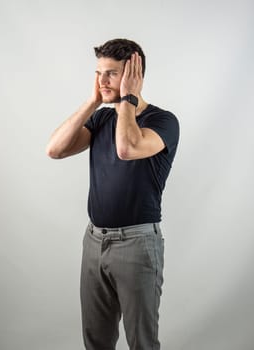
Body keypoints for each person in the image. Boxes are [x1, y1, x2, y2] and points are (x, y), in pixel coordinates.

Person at [46, 38, 179, 350]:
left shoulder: (163, 121)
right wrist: (93, 102)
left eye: (111, 73)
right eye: (98, 73)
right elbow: (54, 150)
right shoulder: (102, 117)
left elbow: (127, 148)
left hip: (137, 244)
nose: (101, 80)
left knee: (142, 343)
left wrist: (127, 100)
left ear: (134, 76)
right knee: (96, 341)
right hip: (94, 241)